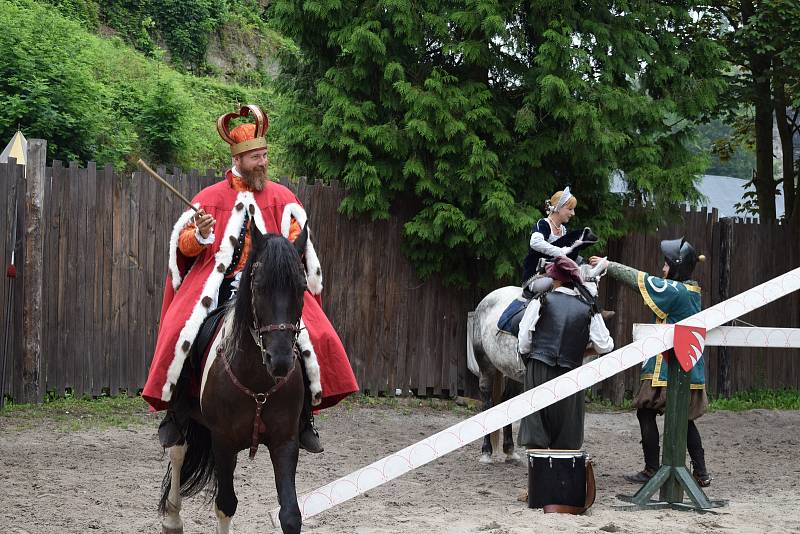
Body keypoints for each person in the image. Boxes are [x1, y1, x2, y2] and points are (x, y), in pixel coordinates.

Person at [142, 104, 359, 453]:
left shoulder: (283, 198)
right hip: (219, 286)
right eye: (256, 157)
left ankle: (304, 417)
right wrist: (199, 235)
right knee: (181, 331)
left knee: (315, 335)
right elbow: (182, 249)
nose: (263, 163)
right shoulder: (208, 199)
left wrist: (286, 254)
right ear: (238, 159)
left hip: (271, 289)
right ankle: (178, 414)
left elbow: (298, 241)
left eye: (264, 155)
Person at [589, 238, 712, 486]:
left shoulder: (677, 291)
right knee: (682, 419)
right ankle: (700, 473)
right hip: (684, 368)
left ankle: (652, 469)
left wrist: (608, 265)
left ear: (677, 267)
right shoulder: (690, 291)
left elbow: (641, 281)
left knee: (648, 413)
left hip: (669, 369)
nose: (663, 270)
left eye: (667, 265)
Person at [517, 256, 614, 449]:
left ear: (556, 280)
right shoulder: (589, 308)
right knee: (566, 437)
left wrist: (535, 358)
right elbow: (606, 345)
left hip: (539, 370)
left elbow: (524, 343)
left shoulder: (540, 300)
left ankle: (539, 476)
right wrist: (583, 352)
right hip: (571, 373)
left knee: (537, 432)